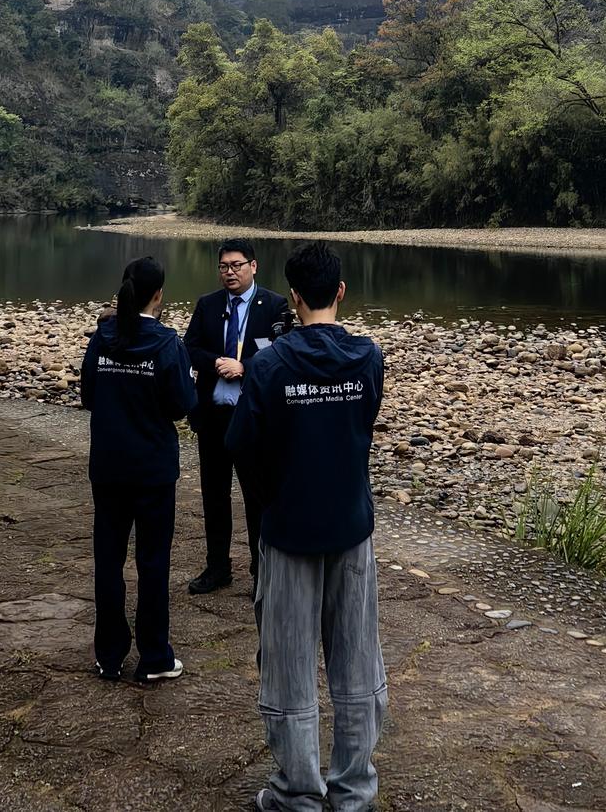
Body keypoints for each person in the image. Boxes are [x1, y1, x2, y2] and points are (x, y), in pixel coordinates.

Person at [227, 241, 386, 812]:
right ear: (340, 292)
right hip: (350, 525)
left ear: (293, 297)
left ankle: (296, 793)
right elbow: (361, 423)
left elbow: (240, 444)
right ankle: (353, 789)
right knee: (356, 659)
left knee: (290, 666)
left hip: (290, 528)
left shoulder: (270, 365)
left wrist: (274, 493)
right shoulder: (367, 357)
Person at [79, 255, 196, 683]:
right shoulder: (167, 344)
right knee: (153, 562)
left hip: (109, 468)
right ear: (159, 295)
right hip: (152, 471)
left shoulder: (102, 339)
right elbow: (183, 404)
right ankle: (154, 658)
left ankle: (109, 655)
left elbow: (88, 395)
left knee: (108, 561)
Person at [183, 243, 290, 595]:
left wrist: (245, 367)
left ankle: (262, 571)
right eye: (224, 266)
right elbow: (189, 348)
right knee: (214, 495)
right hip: (213, 416)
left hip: (253, 419)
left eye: (237, 265)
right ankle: (217, 568)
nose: (230, 272)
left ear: (254, 266)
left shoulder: (274, 306)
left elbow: (282, 355)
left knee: (256, 497)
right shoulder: (208, 305)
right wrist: (216, 361)